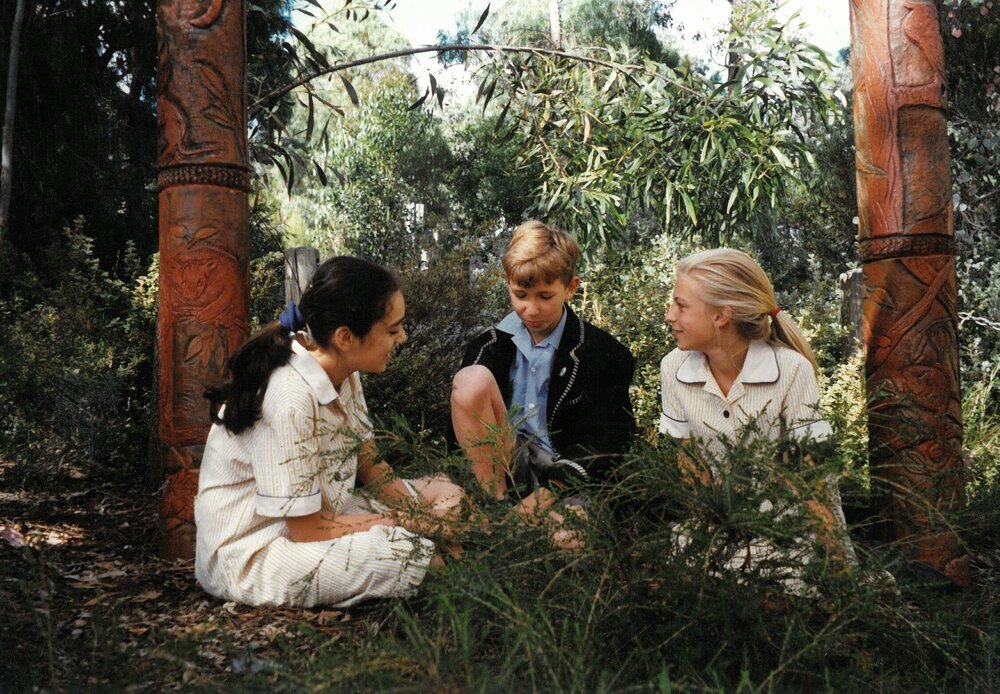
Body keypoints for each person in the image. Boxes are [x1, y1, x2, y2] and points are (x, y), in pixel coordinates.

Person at [195, 256, 465, 608]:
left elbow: (370, 465)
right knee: (414, 555)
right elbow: (307, 530)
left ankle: (433, 551)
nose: (403, 337)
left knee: (447, 490)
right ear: (346, 337)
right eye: (393, 329)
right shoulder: (289, 397)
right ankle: (438, 566)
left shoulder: (345, 372)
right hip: (260, 550)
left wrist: (424, 513)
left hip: (321, 516)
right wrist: (411, 525)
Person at [659, 248, 854, 589]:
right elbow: (690, 469)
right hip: (716, 527)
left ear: (722, 316)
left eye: (681, 305)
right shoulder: (674, 368)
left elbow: (811, 481)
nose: (669, 316)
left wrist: (837, 570)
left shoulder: (790, 370)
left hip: (789, 531)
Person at [451, 220, 635, 539]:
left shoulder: (603, 352)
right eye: (520, 294)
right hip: (504, 466)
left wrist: (547, 495)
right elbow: (463, 427)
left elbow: (608, 442)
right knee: (470, 381)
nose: (531, 309)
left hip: (570, 474)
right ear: (507, 283)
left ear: (571, 287)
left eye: (545, 296)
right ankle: (494, 510)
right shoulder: (488, 346)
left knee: (567, 537)